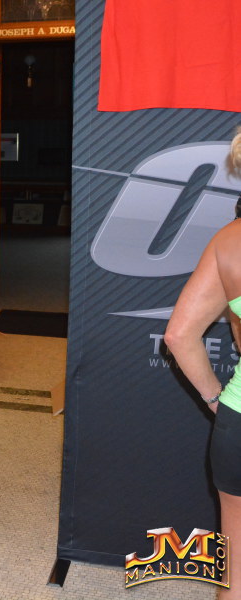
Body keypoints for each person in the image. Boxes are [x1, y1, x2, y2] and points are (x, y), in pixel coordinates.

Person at [165, 136, 241, 598]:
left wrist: (217, 399)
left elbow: (178, 335)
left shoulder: (230, 241)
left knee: (236, 573)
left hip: (239, 422)